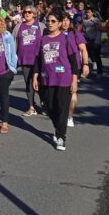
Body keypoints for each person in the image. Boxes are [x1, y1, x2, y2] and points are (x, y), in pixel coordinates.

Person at [33, 8, 79, 151]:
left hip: (64, 79)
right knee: (49, 108)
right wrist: (35, 76)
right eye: (48, 21)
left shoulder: (66, 38)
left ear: (59, 23)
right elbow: (37, 60)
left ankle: (61, 137)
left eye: (53, 21)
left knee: (62, 109)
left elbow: (73, 61)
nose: (50, 23)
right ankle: (58, 128)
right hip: (46, 80)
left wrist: (74, 81)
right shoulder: (43, 39)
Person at [12, 4, 43, 116]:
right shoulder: (19, 26)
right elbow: (13, 43)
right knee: (29, 83)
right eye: (25, 12)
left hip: (39, 59)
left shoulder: (41, 26)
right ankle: (31, 106)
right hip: (24, 59)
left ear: (34, 13)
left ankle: (44, 103)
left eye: (29, 12)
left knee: (42, 83)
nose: (27, 14)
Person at [64, 16, 90, 128]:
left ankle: (70, 116)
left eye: (66, 20)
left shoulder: (75, 33)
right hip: (59, 67)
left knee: (72, 91)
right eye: (62, 20)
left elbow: (83, 50)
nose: (64, 23)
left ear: (70, 22)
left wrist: (85, 64)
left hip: (73, 67)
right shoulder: (55, 33)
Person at [83, 7, 103, 76]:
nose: (87, 14)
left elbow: (99, 31)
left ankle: (99, 72)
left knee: (97, 56)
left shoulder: (96, 20)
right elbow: (83, 30)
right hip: (87, 40)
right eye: (86, 12)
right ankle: (86, 71)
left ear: (92, 13)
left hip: (95, 40)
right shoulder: (84, 21)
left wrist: (97, 41)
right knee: (88, 55)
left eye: (89, 12)